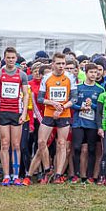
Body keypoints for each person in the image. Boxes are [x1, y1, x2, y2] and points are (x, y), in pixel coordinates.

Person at [31, 53, 76, 184]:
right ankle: (47, 168)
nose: (61, 66)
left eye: (63, 64)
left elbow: (74, 98)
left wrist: (62, 106)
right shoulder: (46, 78)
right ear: (53, 64)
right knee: (41, 142)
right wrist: (52, 103)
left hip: (64, 114)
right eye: (58, 63)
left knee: (62, 144)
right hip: (49, 113)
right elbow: (40, 98)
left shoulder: (70, 77)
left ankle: (58, 174)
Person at [0, 47, 29, 186]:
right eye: (8, 58)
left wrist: (24, 113)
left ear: (16, 58)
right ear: (4, 59)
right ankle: (6, 175)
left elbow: (26, 95)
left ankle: (16, 175)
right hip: (2, 112)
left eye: (13, 58)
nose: (11, 60)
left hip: (16, 112)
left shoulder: (22, 75)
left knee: (16, 144)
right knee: (4, 144)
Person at [71, 62, 104, 184]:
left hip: (92, 124)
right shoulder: (78, 87)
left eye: (96, 72)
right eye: (91, 72)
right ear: (86, 73)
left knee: (91, 149)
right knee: (77, 147)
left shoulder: (100, 89)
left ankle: (90, 176)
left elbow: (101, 108)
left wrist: (92, 105)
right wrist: (80, 107)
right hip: (78, 122)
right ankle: (76, 174)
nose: (94, 74)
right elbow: (72, 104)